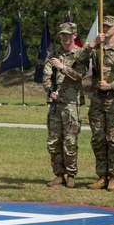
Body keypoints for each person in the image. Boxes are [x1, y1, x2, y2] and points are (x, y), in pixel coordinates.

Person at [79, 15, 114, 191]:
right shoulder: (96, 50)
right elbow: (79, 58)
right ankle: (101, 175)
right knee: (98, 140)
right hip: (97, 102)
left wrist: (112, 84)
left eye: (109, 26)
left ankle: (113, 177)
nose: (105, 29)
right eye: (103, 26)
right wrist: (93, 43)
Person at [42, 22, 88, 188]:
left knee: (70, 141)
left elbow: (79, 75)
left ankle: (71, 174)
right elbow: (46, 76)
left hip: (71, 104)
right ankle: (58, 174)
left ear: (75, 35)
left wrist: (62, 67)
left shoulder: (79, 55)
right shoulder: (54, 54)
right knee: (53, 141)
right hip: (55, 104)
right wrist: (50, 90)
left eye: (68, 35)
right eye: (62, 35)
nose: (64, 38)